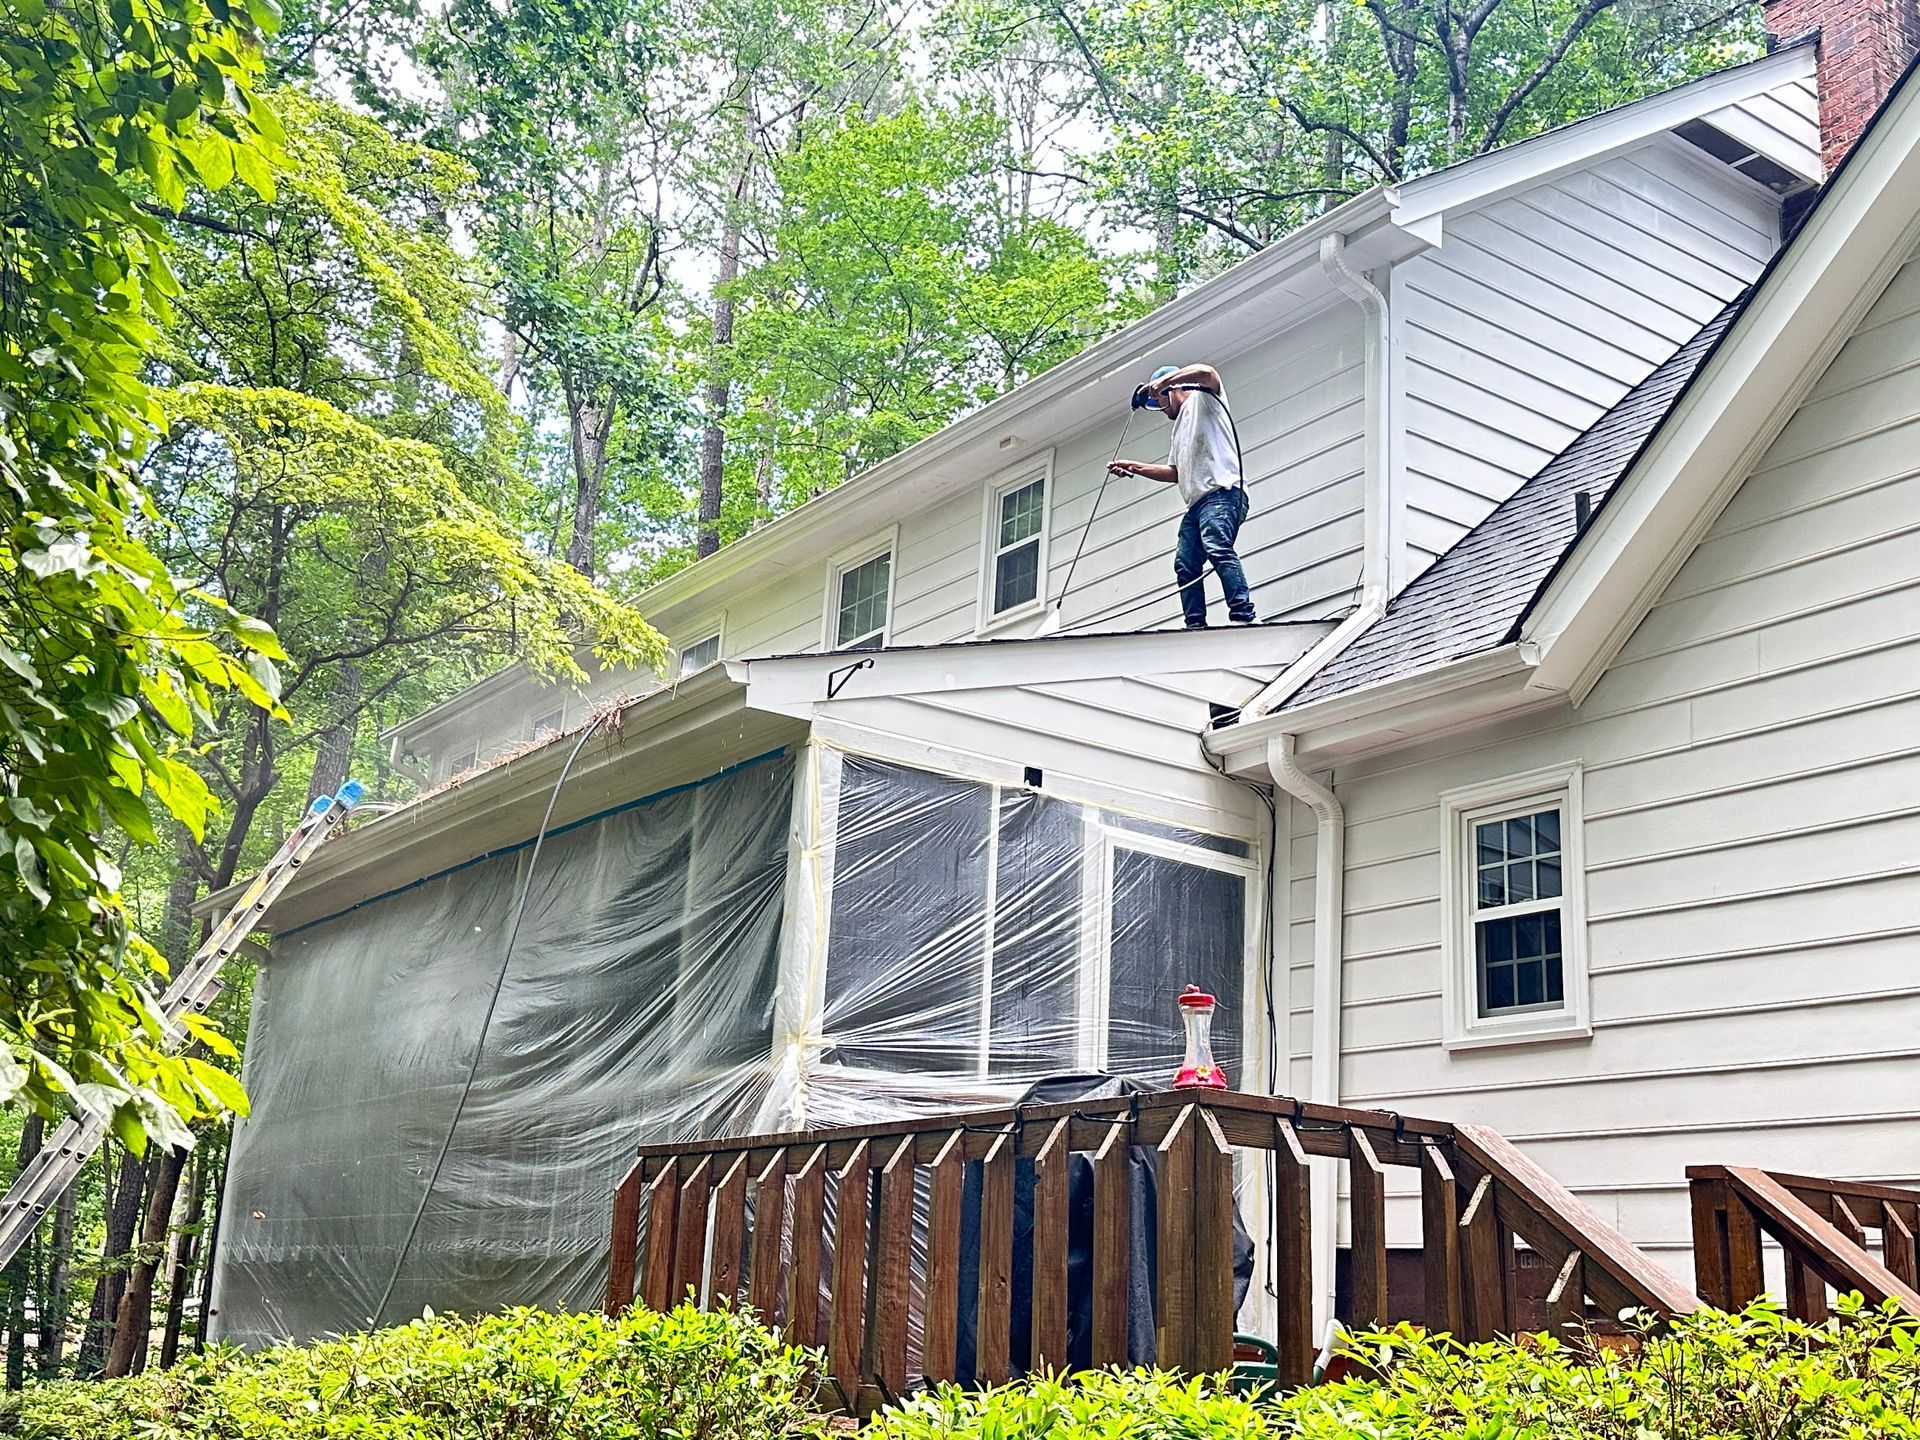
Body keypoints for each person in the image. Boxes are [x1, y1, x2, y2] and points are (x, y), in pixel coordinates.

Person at [1108, 363, 1255, 628]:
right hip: (1197, 504)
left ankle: (1243, 613)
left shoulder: (1205, 399)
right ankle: (1195, 624)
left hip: (1223, 493)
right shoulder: (1178, 430)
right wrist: (1135, 467)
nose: (1160, 408)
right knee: (1185, 563)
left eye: (1159, 400)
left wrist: (1164, 381)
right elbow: (1175, 472)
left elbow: (1208, 372)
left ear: (1171, 390)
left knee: (1216, 545)